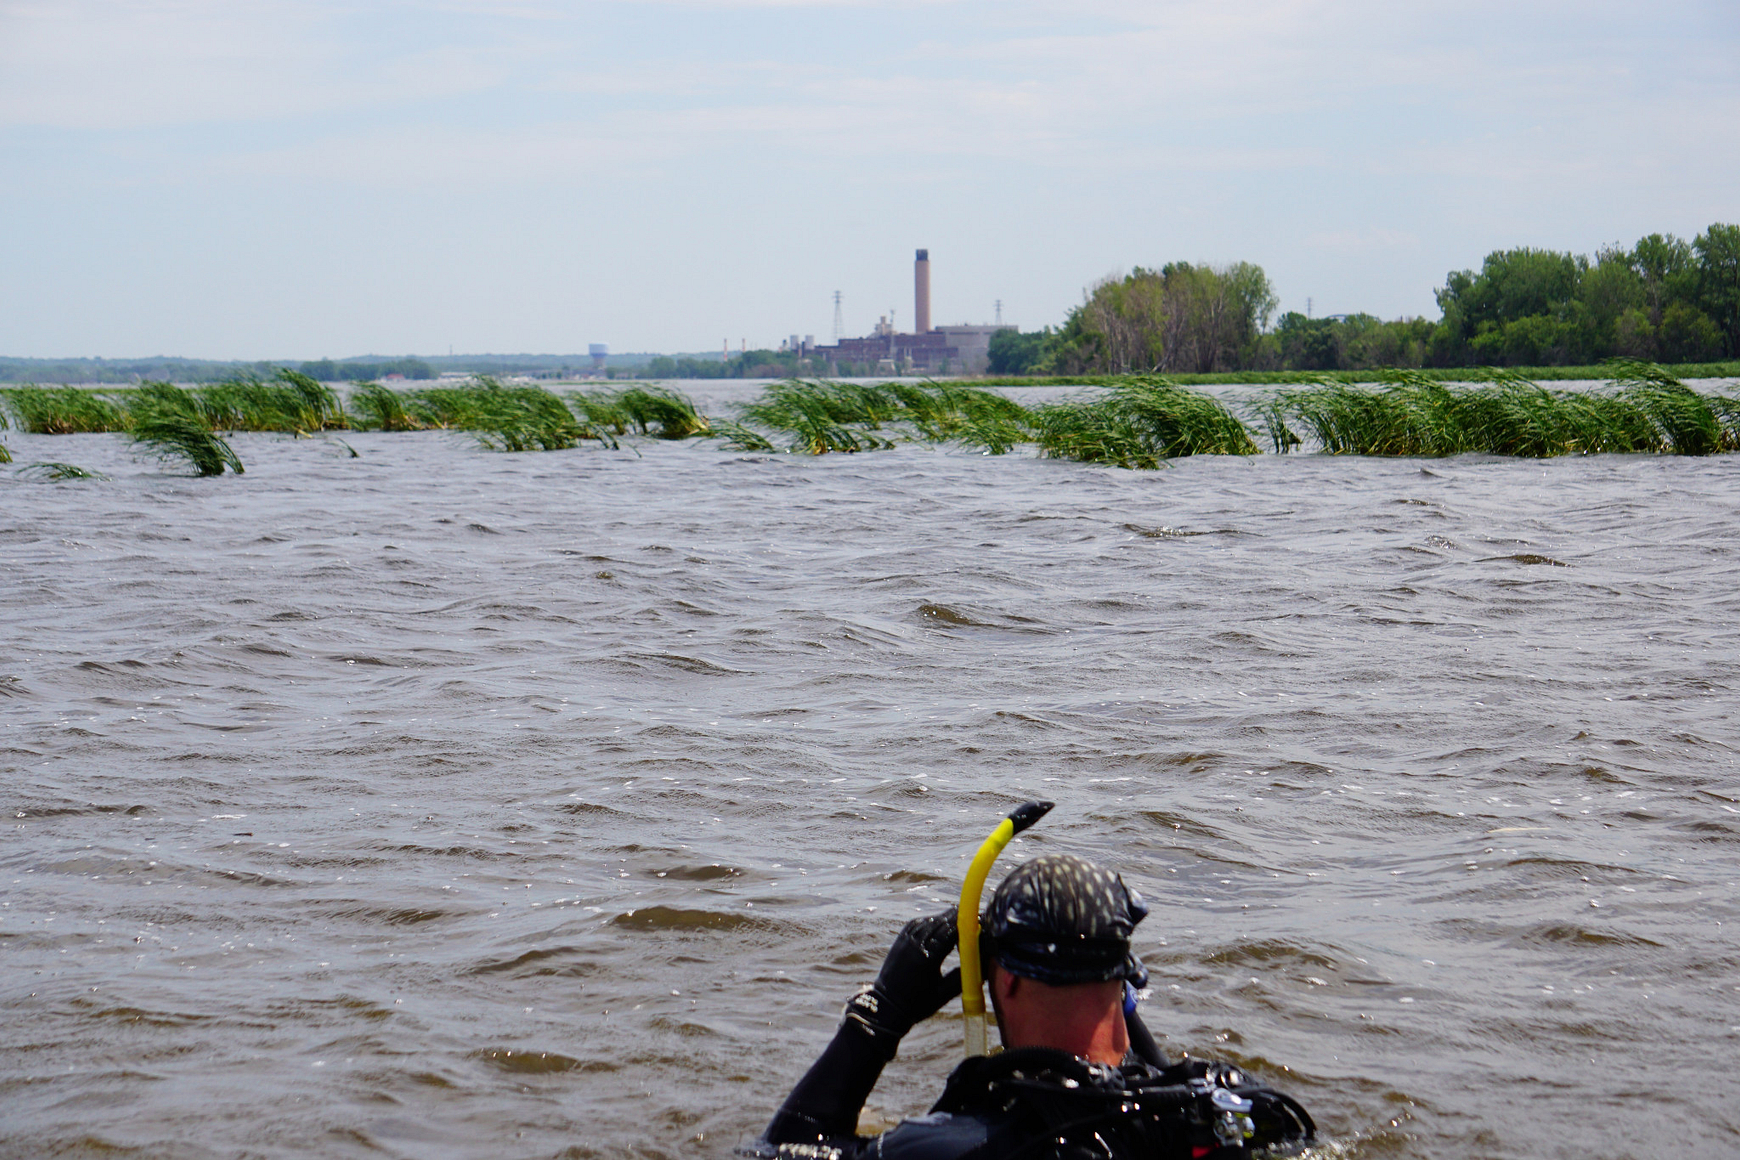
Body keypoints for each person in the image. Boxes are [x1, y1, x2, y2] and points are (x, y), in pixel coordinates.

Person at [749, 853, 1314, 1159]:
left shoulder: (950, 1145)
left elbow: (780, 1154)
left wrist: (876, 1018)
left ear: (1009, 982)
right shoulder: (1232, 1112)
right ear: (1124, 978)